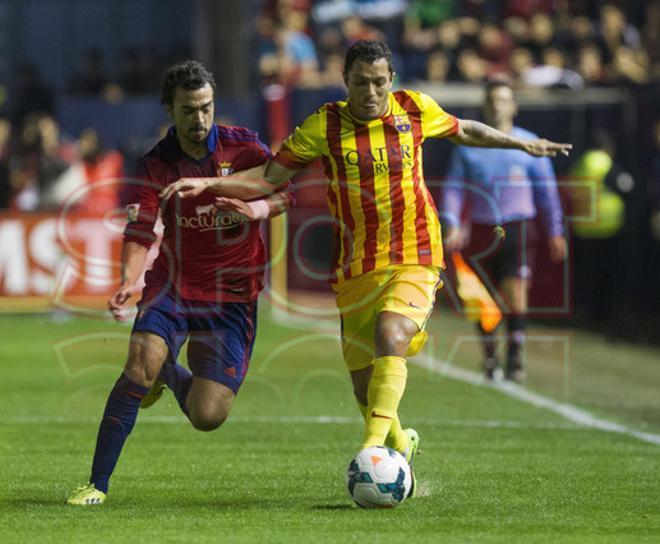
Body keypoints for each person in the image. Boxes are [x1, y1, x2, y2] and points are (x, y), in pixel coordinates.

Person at [160, 41, 571, 495]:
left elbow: (466, 130)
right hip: (356, 266)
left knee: (391, 334)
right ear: (346, 82)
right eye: (361, 82)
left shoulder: (415, 108)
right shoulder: (325, 124)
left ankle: (371, 452)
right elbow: (268, 178)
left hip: (416, 253)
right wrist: (209, 183)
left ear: (391, 80)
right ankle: (398, 441)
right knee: (363, 388)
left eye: (379, 81)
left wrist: (521, 144)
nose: (371, 91)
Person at [66, 60, 292, 506]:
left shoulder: (244, 148)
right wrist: (129, 281)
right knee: (138, 363)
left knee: (208, 415)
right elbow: (139, 232)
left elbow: (285, 191)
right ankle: (96, 484)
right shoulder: (156, 165)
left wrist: (258, 210)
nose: (200, 119)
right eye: (189, 109)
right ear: (171, 109)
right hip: (173, 286)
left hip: (233, 295)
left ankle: (168, 372)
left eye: (206, 107)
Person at [441, 78, 567, 382]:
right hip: (483, 229)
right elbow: (454, 187)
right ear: (485, 106)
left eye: (504, 99)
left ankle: (514, 359)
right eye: (493, 100)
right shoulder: (469, 145)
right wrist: (452, 221)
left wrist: (555, 230)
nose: (498, 105)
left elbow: (547, 193)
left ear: (514, 105)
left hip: (518, 228)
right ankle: (490, 359)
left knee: (516, 295)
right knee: (481, 299)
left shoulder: (529, 142)